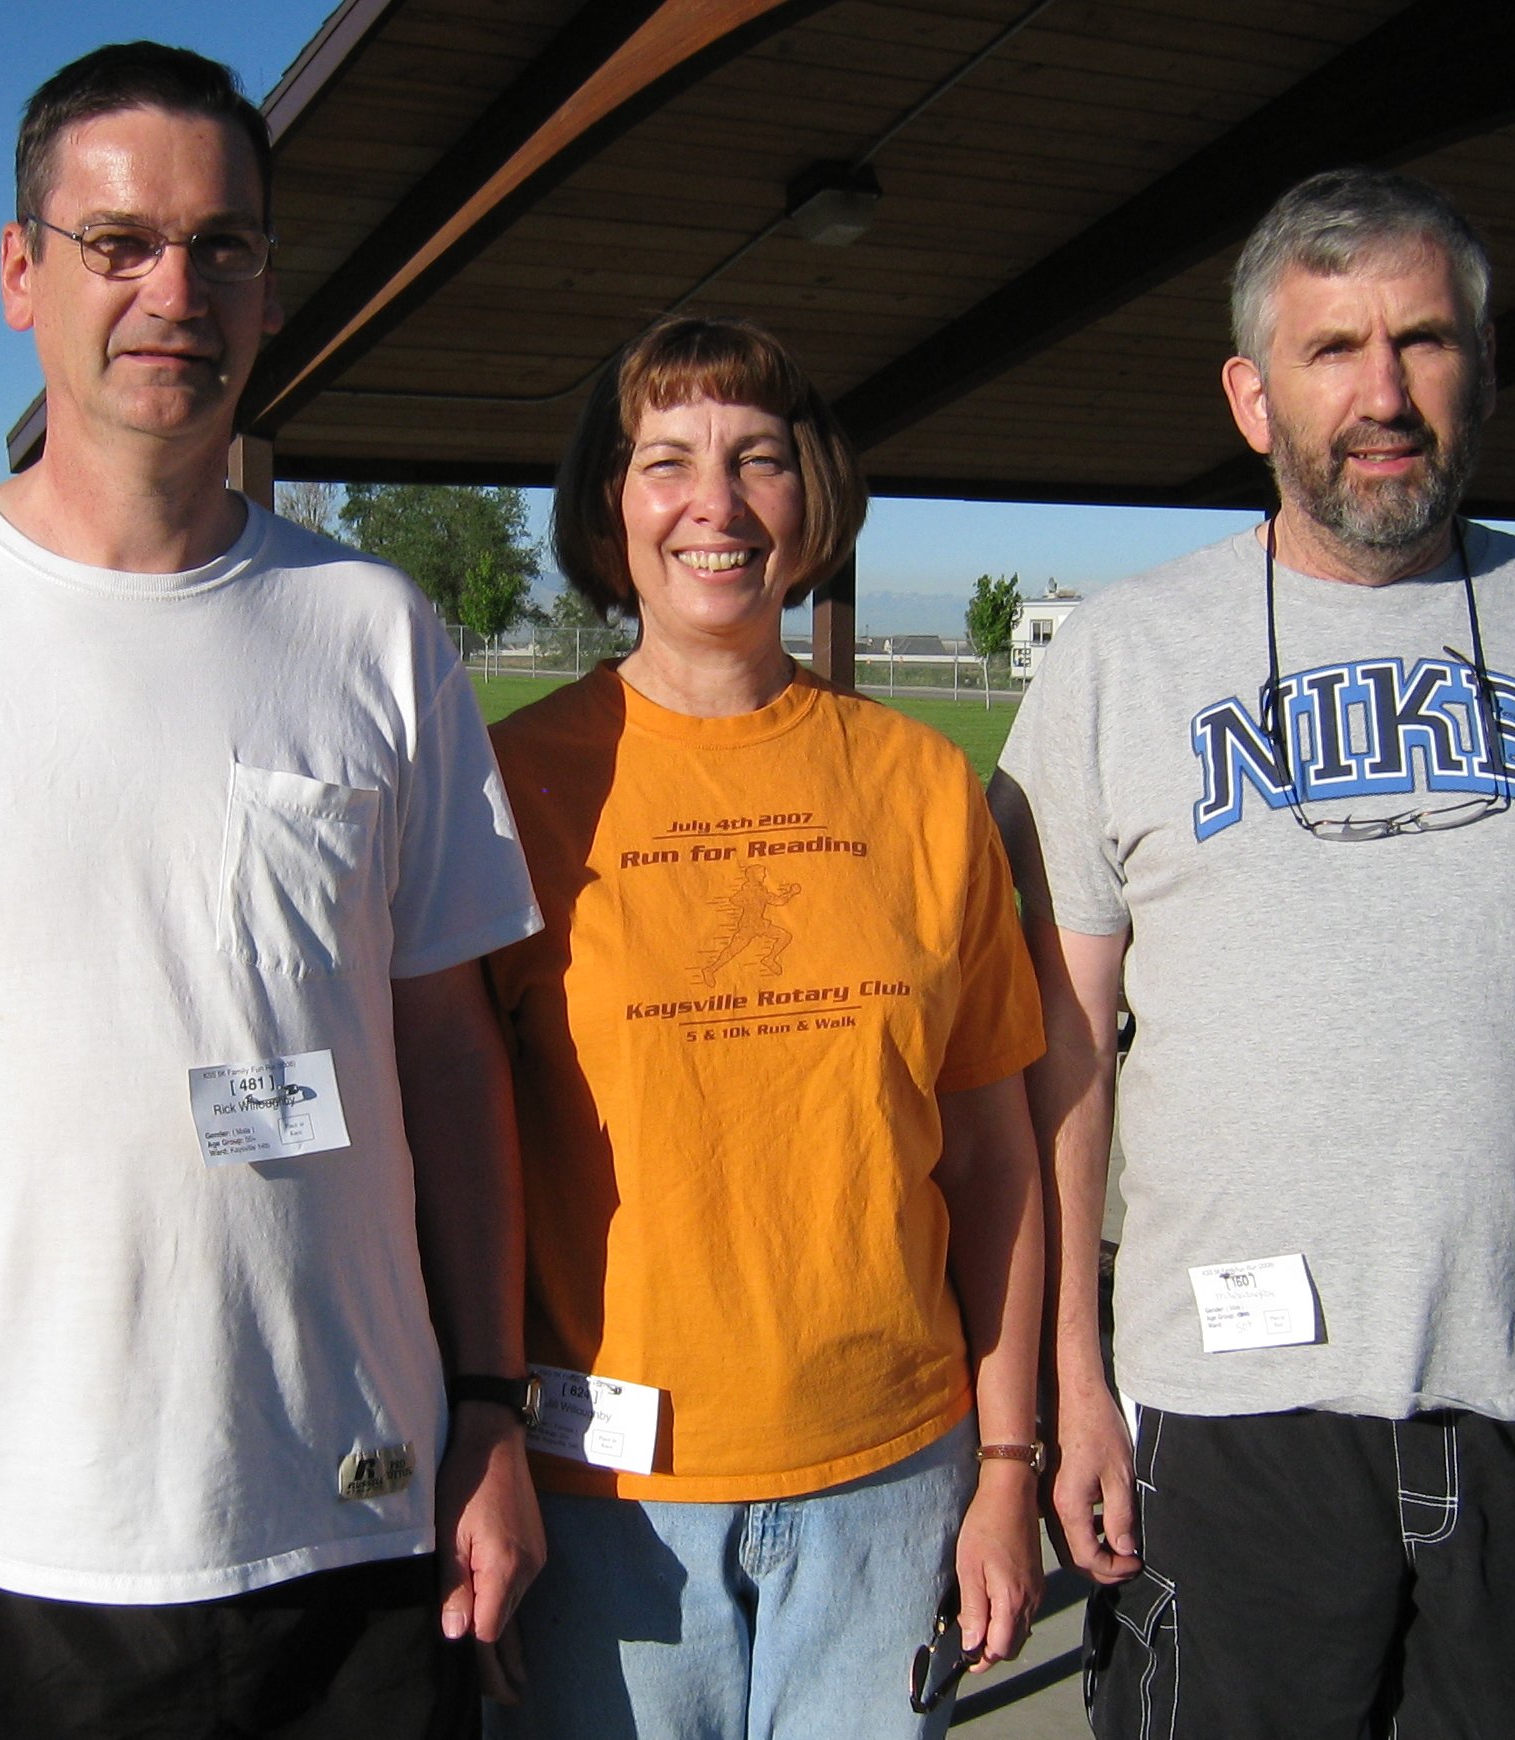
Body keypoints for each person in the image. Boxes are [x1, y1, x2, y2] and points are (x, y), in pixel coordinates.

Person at [0, 42, 543, 1740]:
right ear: (21, 273)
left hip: (358, 1523)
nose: (174, 293)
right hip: (8, 1540)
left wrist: (491, 1411)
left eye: (221, 248)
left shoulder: (371, 633)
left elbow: (448, 1053)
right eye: (117, 243)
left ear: (268, 289)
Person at [990, 169, 1515, 1739]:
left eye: (1423, 341)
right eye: (1332, 351)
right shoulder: (1126, 656)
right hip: (1227, 1416)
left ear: (1481, 368)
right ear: (1252, 397)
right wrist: (1074, 1387)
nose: (1382, 394)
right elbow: (1058, 1044)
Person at [482, 314, 1047, 1738]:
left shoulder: (924, 790)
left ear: (813, 495)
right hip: (599, 1493)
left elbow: (992, 1162)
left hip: (889, 1479)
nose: (715, 505)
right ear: (609, 505)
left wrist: (1007, 1460)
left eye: (757, 459)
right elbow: (455, 1157)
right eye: (666, 461)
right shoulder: (509, 788)